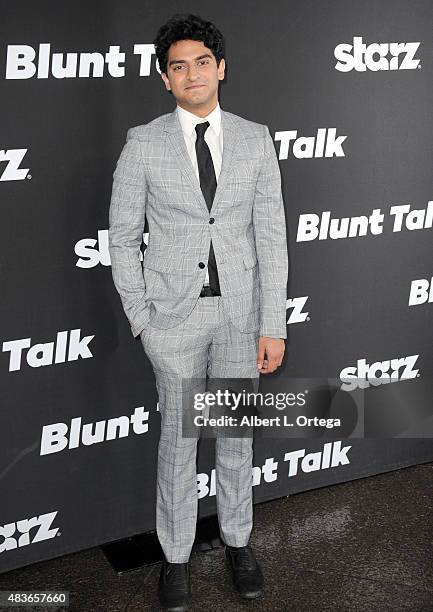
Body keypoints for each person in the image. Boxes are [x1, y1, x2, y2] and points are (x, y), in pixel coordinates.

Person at [108, 13, 288, 612]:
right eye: (178, 66)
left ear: (221, 69)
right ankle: (176, 557)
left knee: (236, 439)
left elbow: (272, 237)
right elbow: (122, 236)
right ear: (165, 78)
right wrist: (143, 321)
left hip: (239, 318)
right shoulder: (143, 143)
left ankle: (239, 542)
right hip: (174, 323)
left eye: (201, 62)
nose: (191, 74)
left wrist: (272, 324)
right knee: (178, 445)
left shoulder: (256, 138)